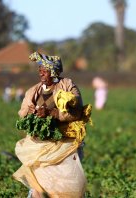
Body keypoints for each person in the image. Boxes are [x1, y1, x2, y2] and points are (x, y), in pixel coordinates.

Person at [13, 52, 90, 197]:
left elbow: (76, 112)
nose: (41, 74)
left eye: (45, 71)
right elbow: (22, 112)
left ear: (54, 72)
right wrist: (30, 112)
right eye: (40, 71)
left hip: (64, 143)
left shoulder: (68, 86)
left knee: (65, 184)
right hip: (42, 145)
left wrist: (52, 113)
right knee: (39, 185)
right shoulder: (33, 91)